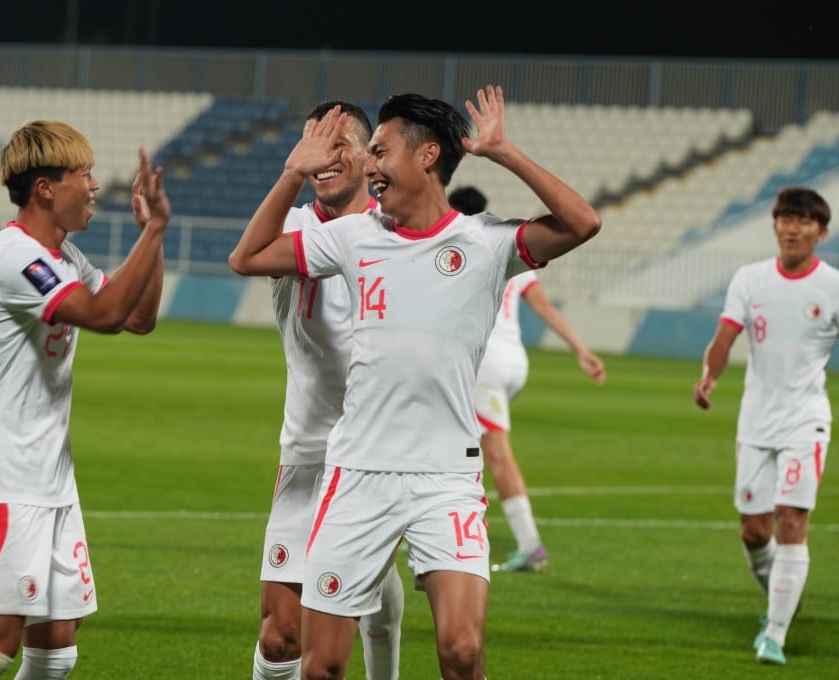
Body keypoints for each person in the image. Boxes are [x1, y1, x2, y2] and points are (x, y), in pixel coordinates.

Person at [229, 85, 601, 679]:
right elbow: (247, 259)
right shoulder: (353, 237)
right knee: (319, 666)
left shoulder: (484, 245)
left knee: (462, 652)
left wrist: (504, 153)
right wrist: (290, 173)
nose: (371, 166)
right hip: (357, 474)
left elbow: (583, 222)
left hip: (445, 477)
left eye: (380, 151)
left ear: (427, 156)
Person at [0, 120, 169, 680]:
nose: (93, 186)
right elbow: (104, 317)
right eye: (82, 174)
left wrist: (147, 236)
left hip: (51, 476)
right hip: (4, 473)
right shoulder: (12, 253)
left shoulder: (67, 258)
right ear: (45, 189)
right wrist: (155, 230)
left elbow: (139, 318)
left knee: (57, 644)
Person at [693, 186, 839, 666]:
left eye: (803, 221)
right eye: (784, 219)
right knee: (754, 533)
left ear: (821, 232)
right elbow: (724, 336)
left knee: (792, 521)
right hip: (755, 421)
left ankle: (774, 632)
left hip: (806, 421)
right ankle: (786, 596)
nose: (792, 228)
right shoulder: (750, 279)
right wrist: (709, 376)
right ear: (775, 225)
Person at [254, 100, 404, 680]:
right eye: (314, 143)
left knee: (351, 609)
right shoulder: (291, 227)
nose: (325, 156)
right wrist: (291, 172)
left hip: (376, 456)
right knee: (280, 635)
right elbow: (245, 257)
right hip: (308, 456)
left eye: (340, 144)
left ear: (370, 157)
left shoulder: (397, 234)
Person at [450, 184, 605, 573]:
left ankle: (530, 544)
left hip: (486, 365)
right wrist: (580, 349)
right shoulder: (507, 245)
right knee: (459, 438)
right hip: (515, 362)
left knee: (496, 454)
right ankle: (440, 526)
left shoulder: (455, 249)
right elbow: (544, 308)